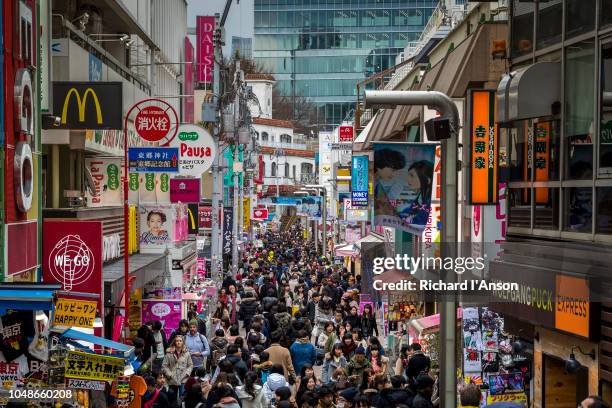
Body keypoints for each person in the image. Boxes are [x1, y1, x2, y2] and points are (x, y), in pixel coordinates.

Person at [161, 335, 193, 400]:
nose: (178, 342)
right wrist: (170, 375)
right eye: (177, 341)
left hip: (183, 379)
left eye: (180, 341)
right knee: (172, 398)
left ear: (183, 342)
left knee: (182, 398)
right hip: (172, 379)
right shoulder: (169, 353)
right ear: (174, 342)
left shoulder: (186, 353)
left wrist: (187, 373)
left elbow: (190, 365)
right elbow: (164, 366)